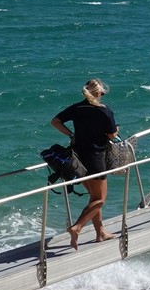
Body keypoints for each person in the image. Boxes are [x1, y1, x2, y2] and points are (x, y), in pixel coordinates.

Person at [50, 78, 118, 250]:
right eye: (102, 93)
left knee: (93, 197)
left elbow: (55, 122)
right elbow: (112, 135)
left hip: (78, 157)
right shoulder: (104, 111)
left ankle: (100, 232)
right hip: (96, 157)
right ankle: (77, 227)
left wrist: (71, 134)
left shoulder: (76, 108)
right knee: (100, 199)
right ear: (98, 93)